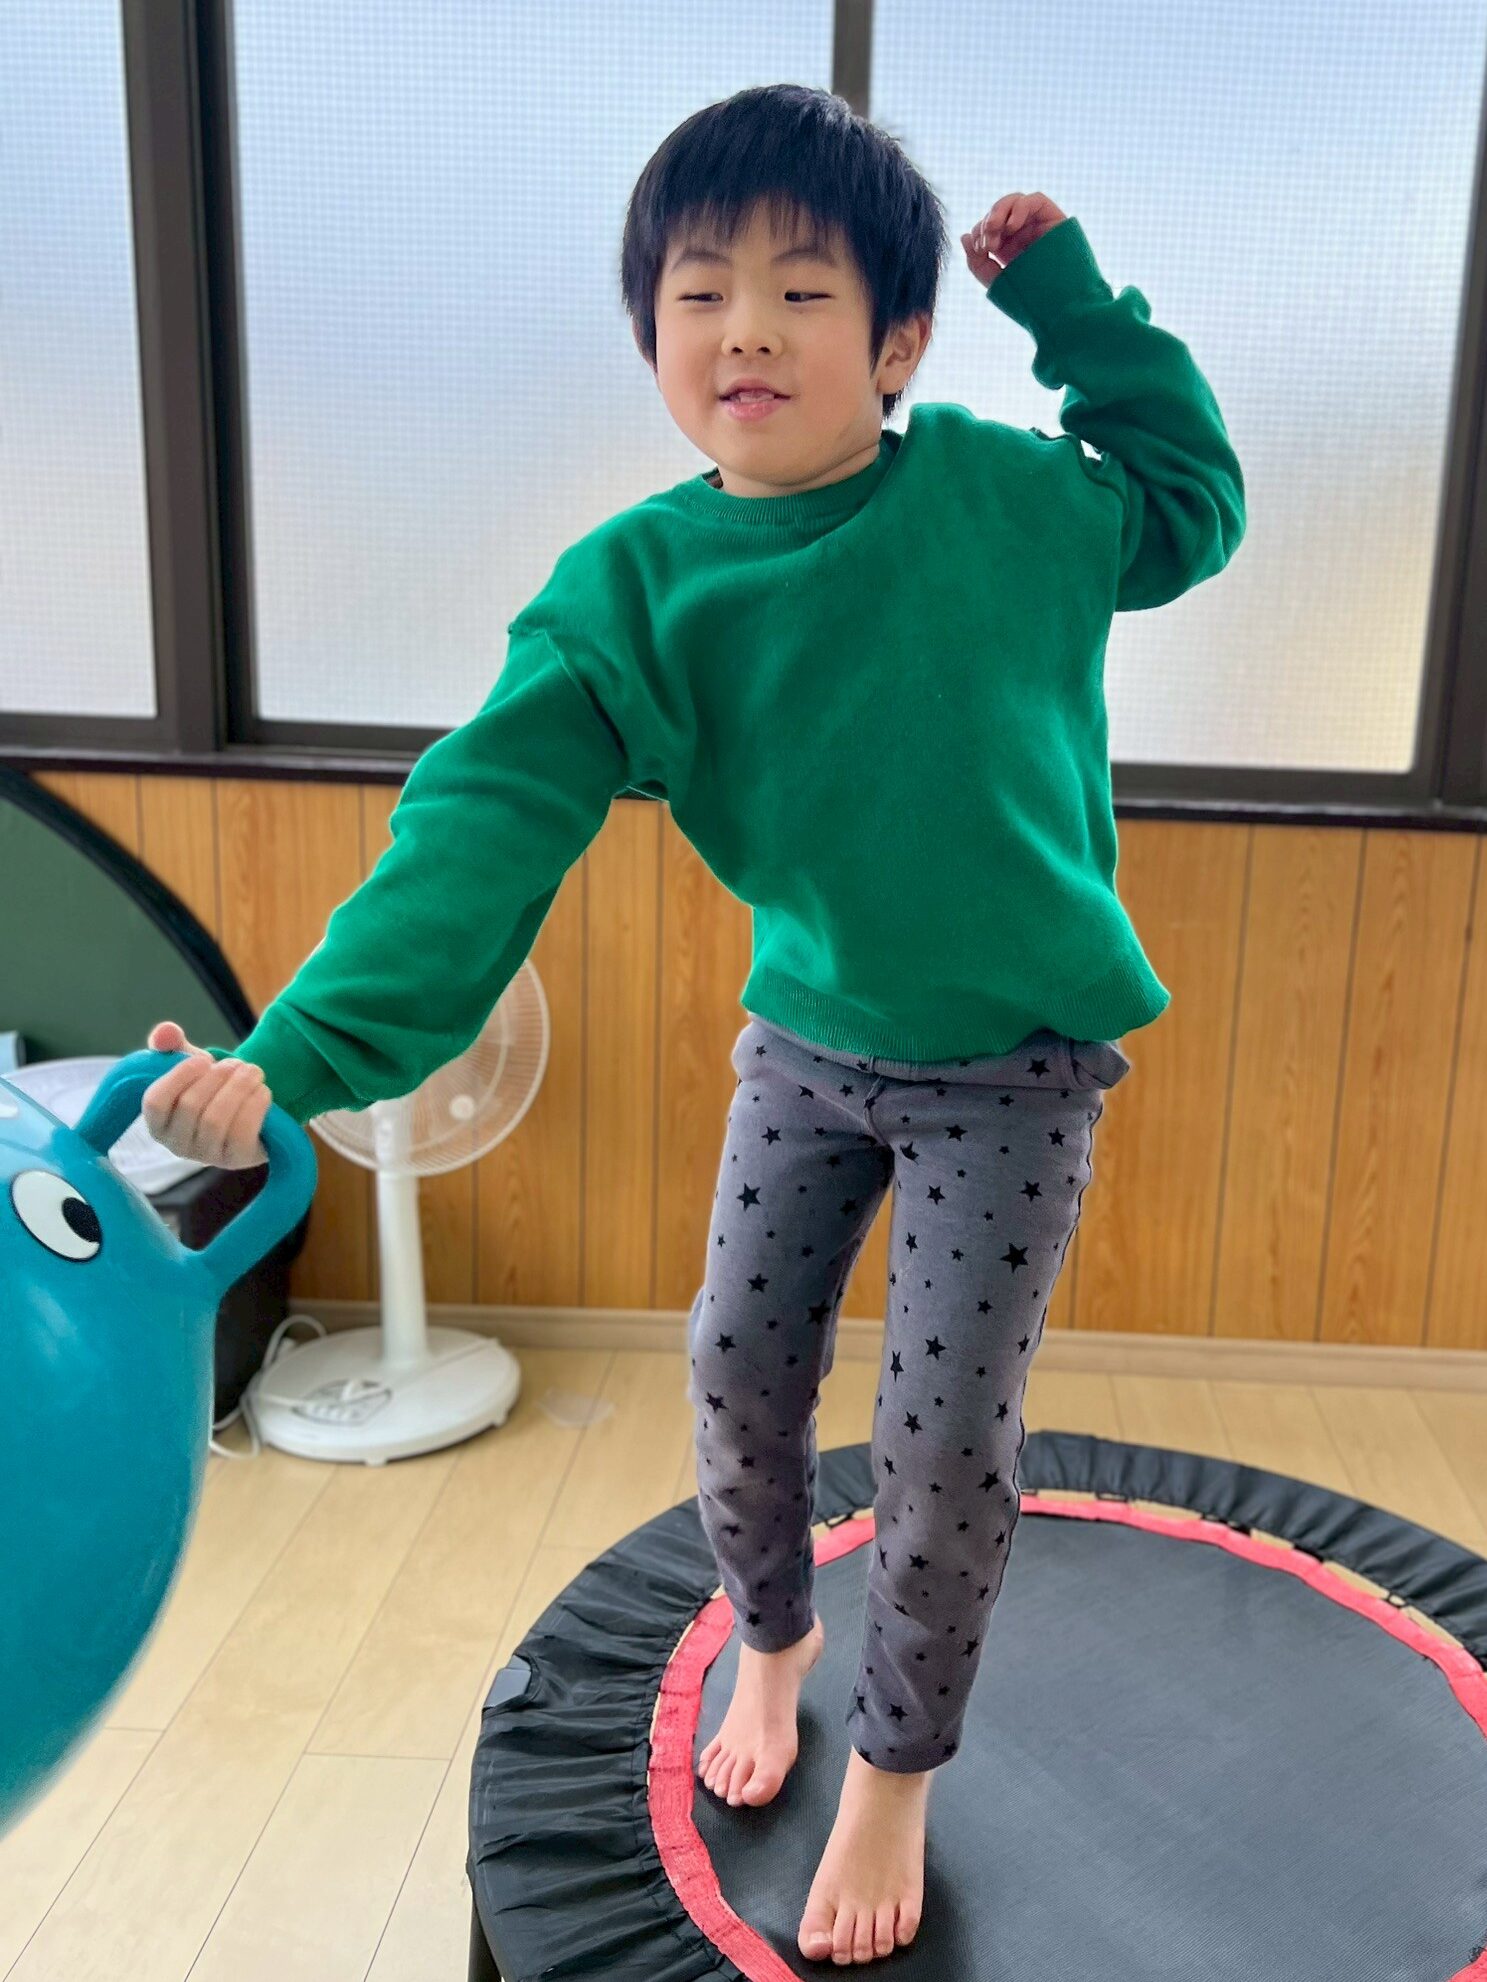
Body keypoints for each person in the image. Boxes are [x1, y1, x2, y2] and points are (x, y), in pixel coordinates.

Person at [143, 83, 1244, 1967]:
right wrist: (295, 1055)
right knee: (734, 1367)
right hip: (806, 1040)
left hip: (1016, 1064)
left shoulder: (1012, 502)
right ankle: (774, 1640)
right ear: (652, 337)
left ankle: (894, 1765)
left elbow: (1191, 506)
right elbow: (472, 837)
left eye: (804, 293)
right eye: (699, 294)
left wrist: (1073, 307)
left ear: (897, 345)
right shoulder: (630, 594)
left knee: (941, 1440)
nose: (747, 328)